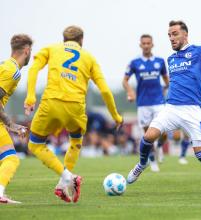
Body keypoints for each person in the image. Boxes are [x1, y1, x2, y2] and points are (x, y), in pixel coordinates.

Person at [127, 20, 201, 194]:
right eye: (169, 35)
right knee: (147, 137)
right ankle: (142, 164)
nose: (171, 38)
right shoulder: (171, 59)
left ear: (185, 34)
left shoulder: (199, 52)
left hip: (194, 111)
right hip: (172, 108)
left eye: (175, 34)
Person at [24, 26, 123, 203]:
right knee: (76, 142)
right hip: (76, 108)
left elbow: (33, 70)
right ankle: (63, 184)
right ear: (82, 40)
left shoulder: (51, 49)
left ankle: (68, 178)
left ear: (63, 39)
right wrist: (116, 116)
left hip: (51, 103)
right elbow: (106, 91)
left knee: (35, 145)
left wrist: (31, 97)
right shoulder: (89, 58)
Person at [122, 34, 169, 171]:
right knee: (148, 135)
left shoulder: (160, 61)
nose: (146, 45)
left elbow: (167, 80)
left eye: (149, 43)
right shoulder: (134, 63)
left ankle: (160, 146)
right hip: (143, 103)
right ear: (140, 45)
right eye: (144, 43)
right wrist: (130, 92)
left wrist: (168, 90)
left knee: (163, 132)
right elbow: (125, 81)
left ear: (152, 44)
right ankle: (153, 160)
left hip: (158, 101)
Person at [0, 34, 33, 204]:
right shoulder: (12, 71)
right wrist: (11, 124)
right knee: (11, 159)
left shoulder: (5, 66)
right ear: (26, 50)